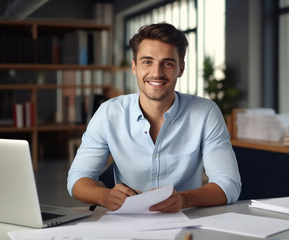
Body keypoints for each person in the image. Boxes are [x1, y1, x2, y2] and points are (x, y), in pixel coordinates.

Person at [67, 22, 241, 213]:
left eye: (167, 63)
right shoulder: (109, 113)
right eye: (147, 62)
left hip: (186, 221)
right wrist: (105, 196)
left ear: (180, 69)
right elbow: (78, 178)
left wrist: (184, 199)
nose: (156, 73)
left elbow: (228, 183)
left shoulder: (206, 112)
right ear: (134, 67)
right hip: (126, 223)